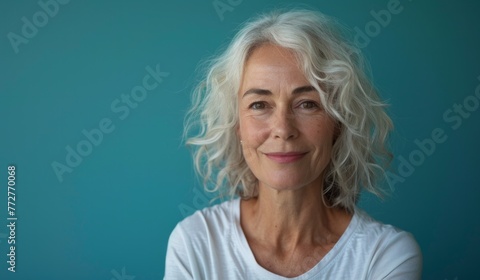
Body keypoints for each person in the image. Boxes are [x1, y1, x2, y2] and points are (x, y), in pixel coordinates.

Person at [164, 9, 422, 279]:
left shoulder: (385, 255)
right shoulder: (195, 243)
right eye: (259, 105)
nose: (283, 129)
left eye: (307, 104)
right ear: (237, 124)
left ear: (338, 122)